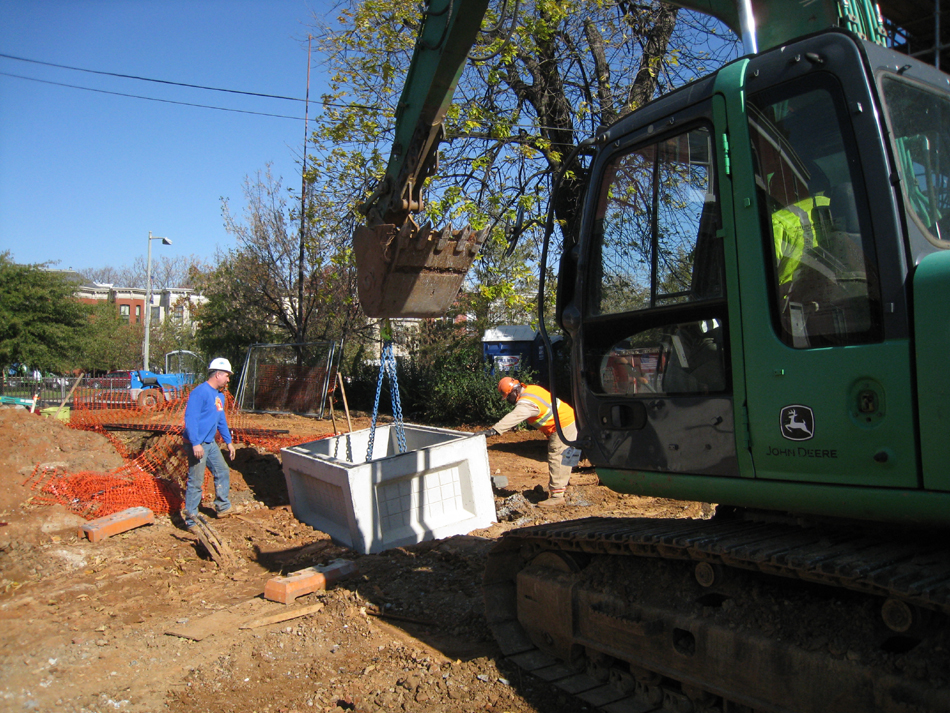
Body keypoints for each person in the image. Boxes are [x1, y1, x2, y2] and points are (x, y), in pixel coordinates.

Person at [479, 377, 579, 507]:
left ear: (514, 392)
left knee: (557, 457)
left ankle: (557, 496)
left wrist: (493, 430)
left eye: (508, 397)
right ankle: (564, 484)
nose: (509, 401)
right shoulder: (532, 389)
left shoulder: (526, 403)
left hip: (562, 426)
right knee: (567, 455)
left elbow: (514, 417)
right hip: (569, 420)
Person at [182, 357, 236, 530]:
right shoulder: (200, 392)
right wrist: (195, 443)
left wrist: (229, 442)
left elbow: (221, 420)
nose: (228, 379)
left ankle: (223, 506)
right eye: (227, 376)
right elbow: (190, 418)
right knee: (196, 481)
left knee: (222, 470)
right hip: (197, 443)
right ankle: (191, 520)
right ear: (218, 374)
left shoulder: (219, 396)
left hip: (209, 442)